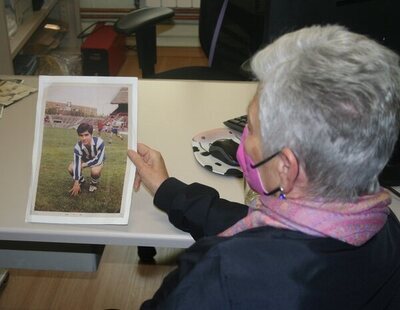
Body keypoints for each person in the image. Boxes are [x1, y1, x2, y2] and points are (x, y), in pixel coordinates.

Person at [128, 25, 400, 309]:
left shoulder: (223, 275)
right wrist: (167, 189)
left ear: (286, 168)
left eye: (252, 127)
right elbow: (253, 224)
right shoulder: (382, 225)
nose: (243, 140)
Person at [68, 122, 105, 196]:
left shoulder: (100, 142)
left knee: (95, 171)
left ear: (91, 134)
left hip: (96, 160)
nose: (84, 138)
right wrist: (76, 182)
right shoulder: (77, 146)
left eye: (86, 135)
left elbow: (98, 160)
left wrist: (85, 165)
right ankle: (81, 181)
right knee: (71, 168)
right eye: (81, 135)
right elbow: (77, 163)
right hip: (84, 159)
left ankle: (93, 184)